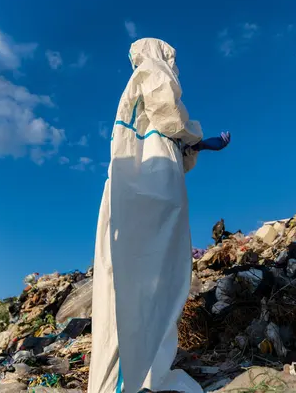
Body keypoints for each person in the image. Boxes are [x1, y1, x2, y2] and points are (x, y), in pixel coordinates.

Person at [89, 38, 231, 393]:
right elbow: (169, 117)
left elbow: (167, 137)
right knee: (156, 275)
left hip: (136, 190)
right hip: (153, 192)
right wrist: (198, 137)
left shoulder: (135, 90)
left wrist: (192, 144)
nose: (173, 64)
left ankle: (131, 373)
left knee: (133, 276)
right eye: (172, 58)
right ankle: (137, 375)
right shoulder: (153, 71)